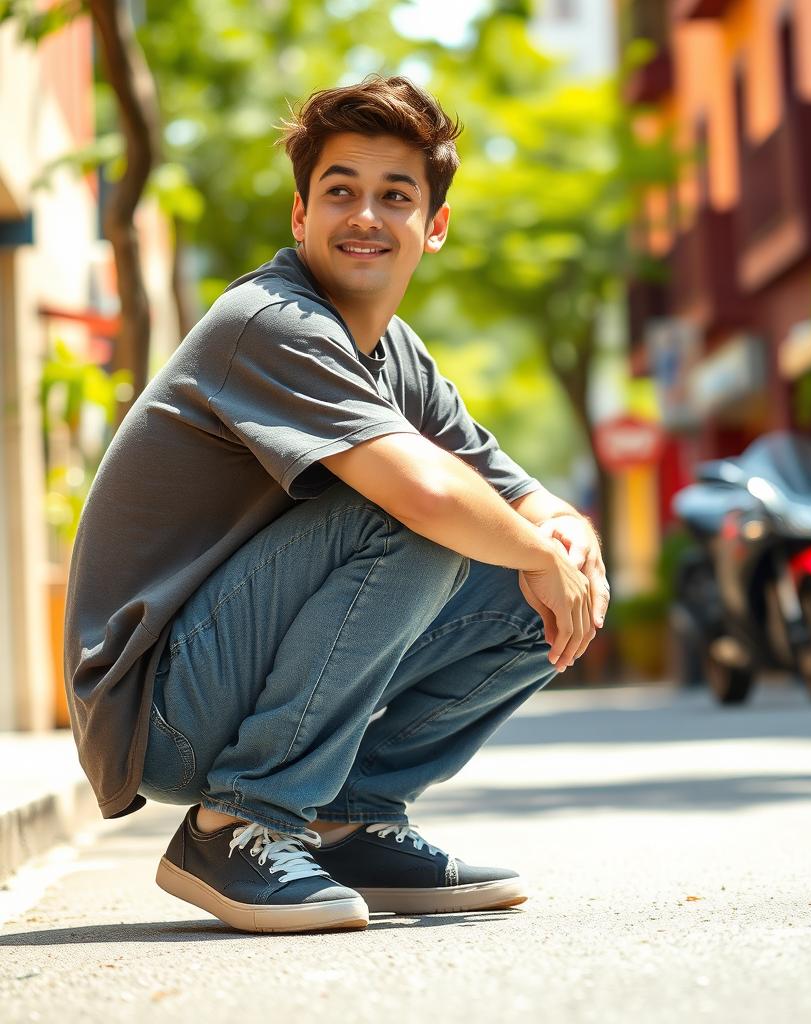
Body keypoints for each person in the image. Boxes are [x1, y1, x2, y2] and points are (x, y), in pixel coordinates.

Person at [63, 75, 609, 935]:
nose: (365, 215)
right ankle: (238, 822)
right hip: (161, 706)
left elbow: (515, 493)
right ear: (299, 216)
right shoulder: (273, 320)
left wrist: (571, 542)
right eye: (340, 191)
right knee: (428, 518)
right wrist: (537, 549)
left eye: (395, 196)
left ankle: (349, 819)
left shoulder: (396, 353)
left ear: (433, 227)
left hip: (226, 673)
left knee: (524, 574)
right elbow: (428, 494)